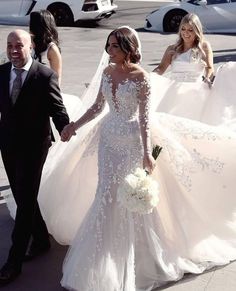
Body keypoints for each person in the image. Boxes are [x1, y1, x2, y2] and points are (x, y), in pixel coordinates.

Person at [37, 26, 236, 290]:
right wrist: (74, 125)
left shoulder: (141, 77)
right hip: (108, 140)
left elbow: (144, 118)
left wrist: (146, 153)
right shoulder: (108, 73)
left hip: (131, 141)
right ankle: (101, 254)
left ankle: (138, 257)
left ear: (128, 48)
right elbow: (98, 106)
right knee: (105, 193)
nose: (109, 51)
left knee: (130, 196)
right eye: (108, 46)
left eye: (115, 46)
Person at [0, 29, 70, 284]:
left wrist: (67, 129)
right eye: (9, 45)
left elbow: (58, 110)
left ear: (30, 47)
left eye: (19, 45)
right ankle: (40, 240)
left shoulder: (44, 75)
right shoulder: (2, 72)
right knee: (21, 195)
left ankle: (13, 262)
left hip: (34, 147)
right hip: (7, 145)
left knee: (25, 201)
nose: (13, 50)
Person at [151, 13, 236, 128]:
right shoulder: (172, 49)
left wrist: (207, 78)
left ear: (197, 31)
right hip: (174, 91)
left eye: (190, 30)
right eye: (183, 29)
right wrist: (149, 77)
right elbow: (161, 68)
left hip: (195, 91)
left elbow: (210, 67)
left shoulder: (204, 46)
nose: (186, 33)